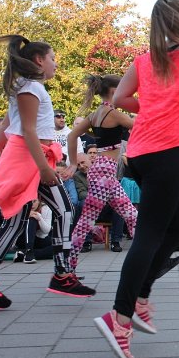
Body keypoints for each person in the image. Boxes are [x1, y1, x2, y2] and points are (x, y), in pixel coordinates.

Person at [95, 0, 179, 358]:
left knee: (175, 229)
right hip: (165, 154)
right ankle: (120, 317)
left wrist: (151, 105)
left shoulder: (144, 59)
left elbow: (120, 98)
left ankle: (141, 294)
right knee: (150, 236)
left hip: (137, 154)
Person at [0, 35, 91, 309]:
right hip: (28, 159)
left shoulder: (26, 87)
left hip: (27, 157)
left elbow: (7, 126)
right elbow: (27, 130)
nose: (56, 64)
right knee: (59, 211)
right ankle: (60, 274)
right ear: (39, 60)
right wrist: (44, 167)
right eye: (53, 58)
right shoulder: (31, 88)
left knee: (29, 218)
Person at [65, 74, 139, 265]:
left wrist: (73, 163)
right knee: (86, 221)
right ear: (114, 92)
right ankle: (65, 269)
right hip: (104, 172)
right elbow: (141, 125)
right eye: (123, 91)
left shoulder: (95, 114)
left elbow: (72, 136)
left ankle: (150, 260)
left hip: (102, 171)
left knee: (132, 215)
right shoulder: (112, 113)